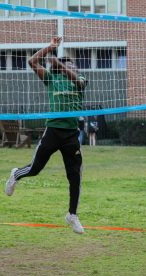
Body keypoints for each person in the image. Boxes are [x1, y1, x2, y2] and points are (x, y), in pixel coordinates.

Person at [5, 36, 87, 234]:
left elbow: (77, 80)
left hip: (71, 135)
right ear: (60, 69)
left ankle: (72, 215)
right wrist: (50, 48)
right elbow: (32, 62)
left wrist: (58, 62)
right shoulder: (52, 79)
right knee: (35, 169)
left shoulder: (80, 81)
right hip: (53, 131)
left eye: (74, 65)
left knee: (74, 177)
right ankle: (16, 174)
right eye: (70, 65)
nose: (73, 67)